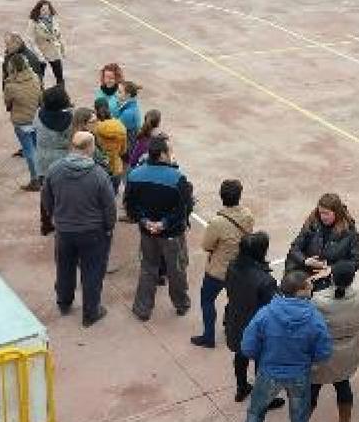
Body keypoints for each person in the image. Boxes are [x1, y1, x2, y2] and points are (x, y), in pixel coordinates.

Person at [235, 270, 333, 422]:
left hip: (269, 372)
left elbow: (247, 347)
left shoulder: (265, 313)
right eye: (308, 285)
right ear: (300, 291)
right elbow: (324, 353)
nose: (312, 286)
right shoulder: (315, 318)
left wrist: (263, 358)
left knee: (256, 413)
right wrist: (308, 362)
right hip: (299, 375)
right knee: (298, 418)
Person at [41, 130, 116, 326]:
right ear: (90, 148)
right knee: (92, 272)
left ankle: (64, 302)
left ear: (72, 146)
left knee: (64, 267)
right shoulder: (99, 175)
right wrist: (109, 227)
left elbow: (46, 199)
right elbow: (109, 206)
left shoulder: (54, 169)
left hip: (65, 231)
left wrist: (56, 217)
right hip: (93, 233)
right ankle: (91, 312)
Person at [125, 135, 194, 321]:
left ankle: (142, 309)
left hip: (147, 232)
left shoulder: (135, 175)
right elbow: (184, 209)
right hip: (172, 234)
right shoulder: (177, 178)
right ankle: (181, 304)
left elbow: (130, 205)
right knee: (176, 269)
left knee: (148, 268)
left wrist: (145, 221)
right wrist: (163, 224)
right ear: (163, 154)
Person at [192, 179, 255, 348]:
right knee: (234, 300)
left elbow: (207, 246)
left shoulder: (217, 222)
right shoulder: (248, 216)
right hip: (239, 269)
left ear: (221, 196)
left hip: (218, 270)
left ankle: (208, 336)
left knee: (207, 300)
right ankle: (230, 326)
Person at [310, 260, 359, 422]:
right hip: (347, 349)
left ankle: (302, 421)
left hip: (323, 350)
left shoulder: (318, 299)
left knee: (313, 388)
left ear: (331, 277)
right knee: (343, 385)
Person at [224, 232, 278, 402]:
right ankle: (263, 398)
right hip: (257, 327)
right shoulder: (265, 280)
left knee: (241, 355)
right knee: (261, 363)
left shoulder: (232, 266)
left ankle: (241, 387)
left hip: (235, 319)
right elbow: (271, 308)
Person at [285, 193, 359, 292]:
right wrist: (305, 261)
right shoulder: (312, 223)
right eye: (321, 212)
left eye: (326, 213)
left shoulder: (349, 231)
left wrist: (332, 269)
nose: (323, 217)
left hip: (330, 279)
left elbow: (357, 260)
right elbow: (295, 247)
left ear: (336, 213)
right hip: (306, 273)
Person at [4, 54, 44, 191]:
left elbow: (8, 104)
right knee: (37, 147)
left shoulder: (10, 85)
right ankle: (42, 175)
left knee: (29, 151)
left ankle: (35, 179)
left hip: (21, 122)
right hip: (36, 118)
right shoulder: (35, 78)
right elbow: (40, 98)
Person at [34, 85, 75, 181]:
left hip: (43, 163)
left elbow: (35, 128)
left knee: (47, 192)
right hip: (64, 162)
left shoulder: (38, 114)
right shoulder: (71, 118)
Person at [92, 97, 127, 191]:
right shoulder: (121, 126)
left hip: (100, 170)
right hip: (116, 168)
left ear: (95, 111)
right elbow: (123, 150)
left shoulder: (95, 129)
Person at [28, 0, 65, 86]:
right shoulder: (33, 21)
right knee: (39, 79)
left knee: (59, 77)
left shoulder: (54, 18)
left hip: (54, 51)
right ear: (38, 10)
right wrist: (39, 55)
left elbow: (59, 35)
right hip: (41, 52)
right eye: (43, 10)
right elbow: (31, 40)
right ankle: (39, 96)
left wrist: (62, 48)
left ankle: (62, 95)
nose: (45, 12)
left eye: (47, 9)